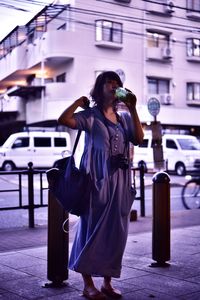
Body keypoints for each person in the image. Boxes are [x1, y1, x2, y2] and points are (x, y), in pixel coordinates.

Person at [58, 71, 144, 300]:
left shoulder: (124, 118)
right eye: (110, 81)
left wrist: (133, 108)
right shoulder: (90, 116)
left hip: (121, 182)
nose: (115, 85)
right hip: (96, 180)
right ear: (100, 87)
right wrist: (77, 102)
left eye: (118, 82)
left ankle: (107, 282)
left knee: (117, 233)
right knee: (91, 231)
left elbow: (139, 138)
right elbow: (64, 120)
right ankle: (87, 284)